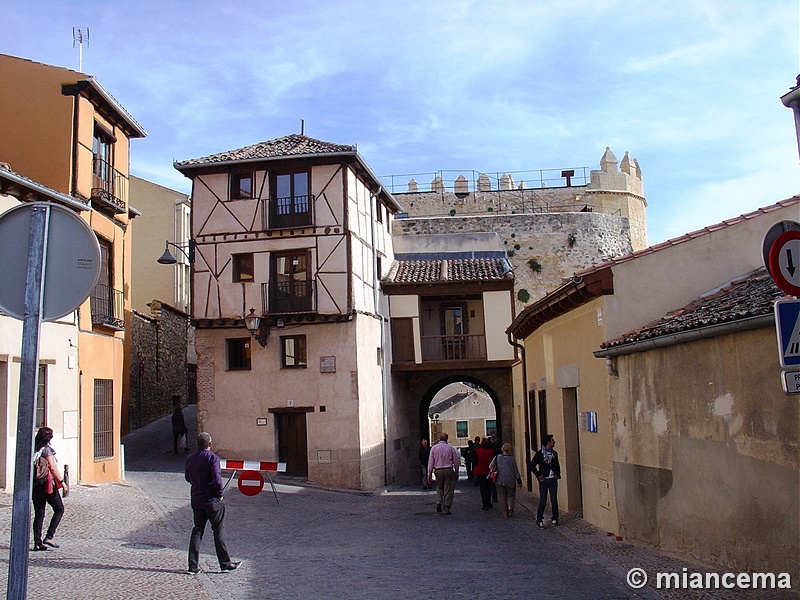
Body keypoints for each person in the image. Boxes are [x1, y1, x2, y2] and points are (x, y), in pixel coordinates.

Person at [184, 432, 241, 573]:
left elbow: (187, 477)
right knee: (218, 532)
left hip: (197, 499)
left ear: (197, 444)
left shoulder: (190, 458)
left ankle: (193, 566)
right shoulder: (212, 458)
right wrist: (220, 495)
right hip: (212, 501)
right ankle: (225, 564)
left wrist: (197, 485)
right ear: (209, 444)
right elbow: (217, 479)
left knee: (197, 531)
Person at [32, 427, 68, 551]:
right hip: (46, 485)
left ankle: (37, 542)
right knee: (59, 509)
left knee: (39, 513)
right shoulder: (46, 450)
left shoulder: (33, 449)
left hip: (35, 485)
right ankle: (49, 537)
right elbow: (52, 468)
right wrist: (62, 482)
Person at [530, 434, 561, 528]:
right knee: (543, 500)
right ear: (548, 442)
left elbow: (557, 465)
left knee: (554, 500)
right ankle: (539, 519)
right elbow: (532, 466)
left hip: (552, 480)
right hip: (544, 480)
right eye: (552, 440)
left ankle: (555, 518)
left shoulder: (554, 453)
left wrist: (557, 474)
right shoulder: (540, 454)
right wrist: (539, 476)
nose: (554, 442)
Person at [426, 432, 460, 515]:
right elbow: (456, 461)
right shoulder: (451, 448)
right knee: (448, 489)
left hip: (438, 470)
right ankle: (446, 507)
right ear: (446, 439)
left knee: (439, 487)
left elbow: (431, 462)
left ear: (439, 439)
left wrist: (429, 474)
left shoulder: (434, 448)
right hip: (448, 470)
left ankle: (438, 502)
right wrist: (456, 472)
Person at [488, 443, 523, 517]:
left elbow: (490, 466)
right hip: (510, 480)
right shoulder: (512, 459)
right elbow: (516, 471)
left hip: (499, 480)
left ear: (502, 449)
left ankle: (505, 512)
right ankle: (510, 507)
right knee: (511, 495)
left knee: (502, 496)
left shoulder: (497, 457)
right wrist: (519, 481)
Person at [473, 437, 495, 510]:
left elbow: (475, 461)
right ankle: (488, 502)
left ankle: (485, 504)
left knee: (483, 488)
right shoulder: (491, 451)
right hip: (489, 471)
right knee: (489, 487)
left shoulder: (478, 451)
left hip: (480, 471)